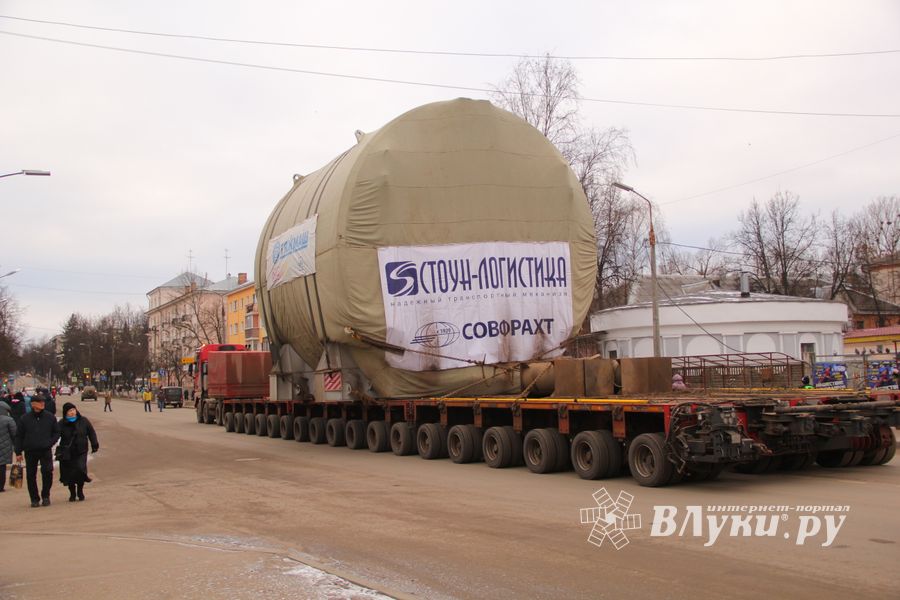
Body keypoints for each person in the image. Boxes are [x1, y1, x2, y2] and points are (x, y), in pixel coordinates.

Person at [14, 395, 60, 507]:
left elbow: (56, 432)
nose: (42, 404)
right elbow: (19, 436)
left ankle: (45, 496)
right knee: (31, 475)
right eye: (39, 402)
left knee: (47, 472)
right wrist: (18, 452)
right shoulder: (25, 419)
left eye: (43, 402)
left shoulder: (50, 417)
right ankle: (34, 498)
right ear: (33, 404)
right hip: (30, 451)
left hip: (45, 450)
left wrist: (50, 443)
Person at [58, 403, 99, 502]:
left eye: (73, 410)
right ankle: (72, 493)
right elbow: (55, 435)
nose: (72, 412)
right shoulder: (61, 423)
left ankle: (80, 490)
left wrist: (94, 444)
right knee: (70, 473)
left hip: (81, 450)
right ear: (65, 413)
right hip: (68, 453)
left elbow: (91, 432)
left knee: (80, 470)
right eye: (70, 411)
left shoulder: (83, 421)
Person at [0, 401, 17, 493]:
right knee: (2, 467)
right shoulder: (9, 420)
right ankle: (0, 486)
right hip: (5, 447)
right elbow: (15, 434)